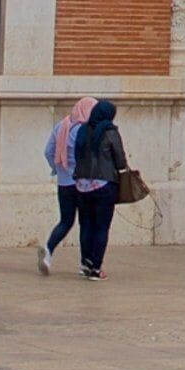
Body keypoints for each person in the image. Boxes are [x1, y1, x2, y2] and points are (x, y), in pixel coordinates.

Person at [64, 98, 127, 281]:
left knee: (86, 225)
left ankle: (85, 263)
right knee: (101, 227)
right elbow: (120, 160)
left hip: (82, 185)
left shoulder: (82, 130)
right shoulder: (110, 132)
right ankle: (96, 268)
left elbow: (77, 154)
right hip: (104, 185)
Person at [38, 94, 95, 276]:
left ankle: (48, 250)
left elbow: (48, 151)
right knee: (86, 222)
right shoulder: (86, 130)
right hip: (83, 183)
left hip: (64, 183)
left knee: (65, 221)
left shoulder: (61, 126)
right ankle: (85, 263)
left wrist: (59, 169)